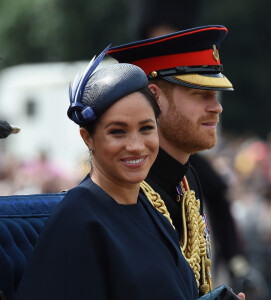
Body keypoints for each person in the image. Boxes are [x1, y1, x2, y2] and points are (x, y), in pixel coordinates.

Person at [15, 46, 199, 300]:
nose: (135, 145)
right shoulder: (77, 220)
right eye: (117, 132)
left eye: (146, 128)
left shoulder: (149, 210)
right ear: (87, 137)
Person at [108, 25, 245, 300]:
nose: (216, 106)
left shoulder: (187, 178)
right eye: (199, 94)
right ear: (154, 98)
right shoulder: (123, 191)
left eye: (215, 94)